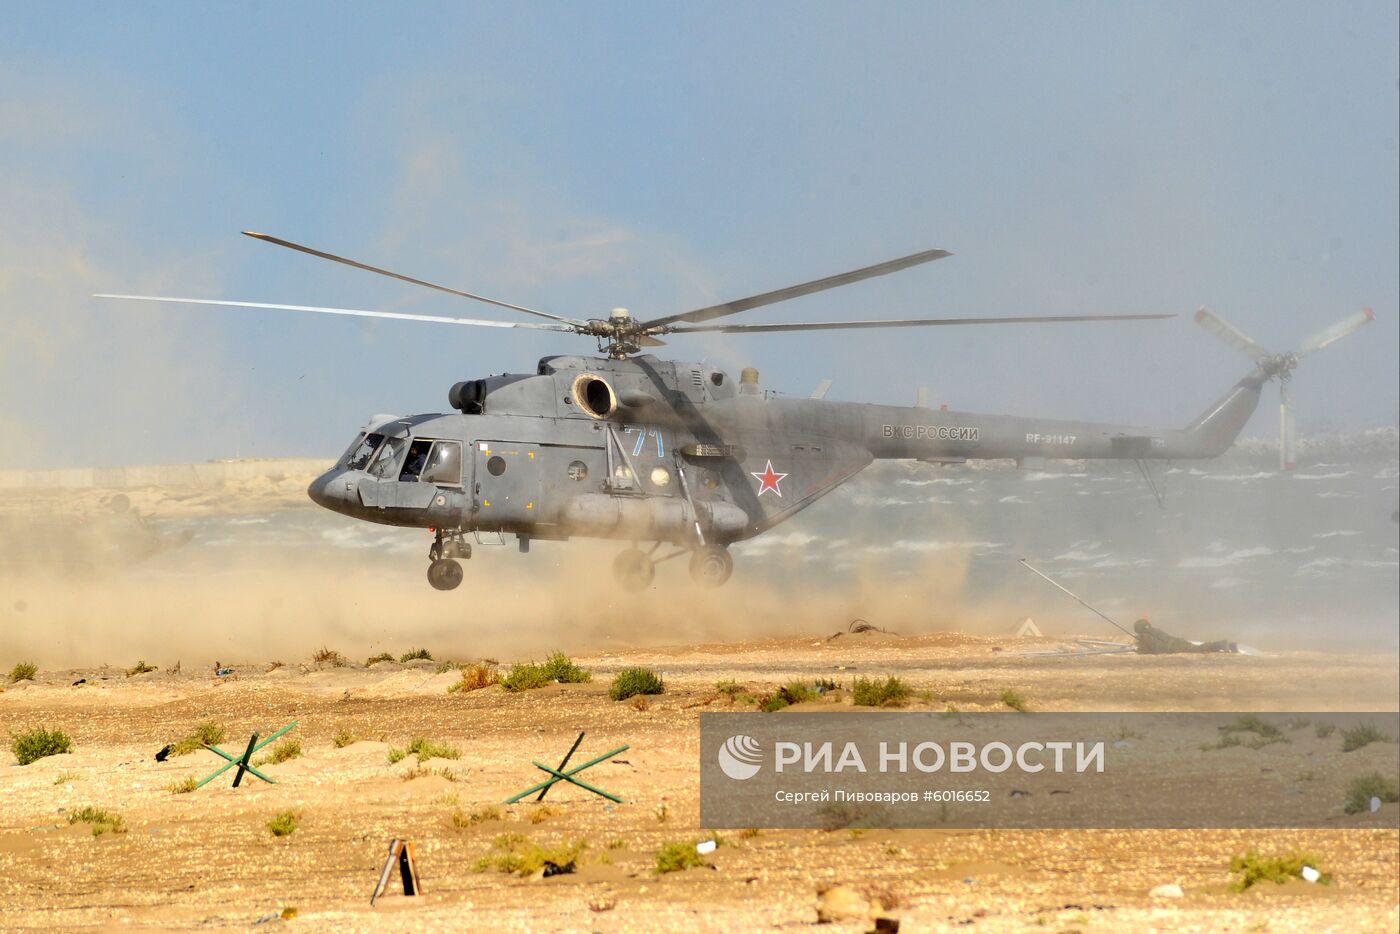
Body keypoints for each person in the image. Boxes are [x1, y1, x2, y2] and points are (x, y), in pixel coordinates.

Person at [1133, 618, 1237, 654]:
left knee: (1198, 649)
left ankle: (1220, 644)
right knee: (1197, 649)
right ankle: (1226, 645)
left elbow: (1159, 648)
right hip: (1177, 643)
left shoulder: (1146, 636)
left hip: (1174, 647)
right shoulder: (1154, 630)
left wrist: (1143, 649)